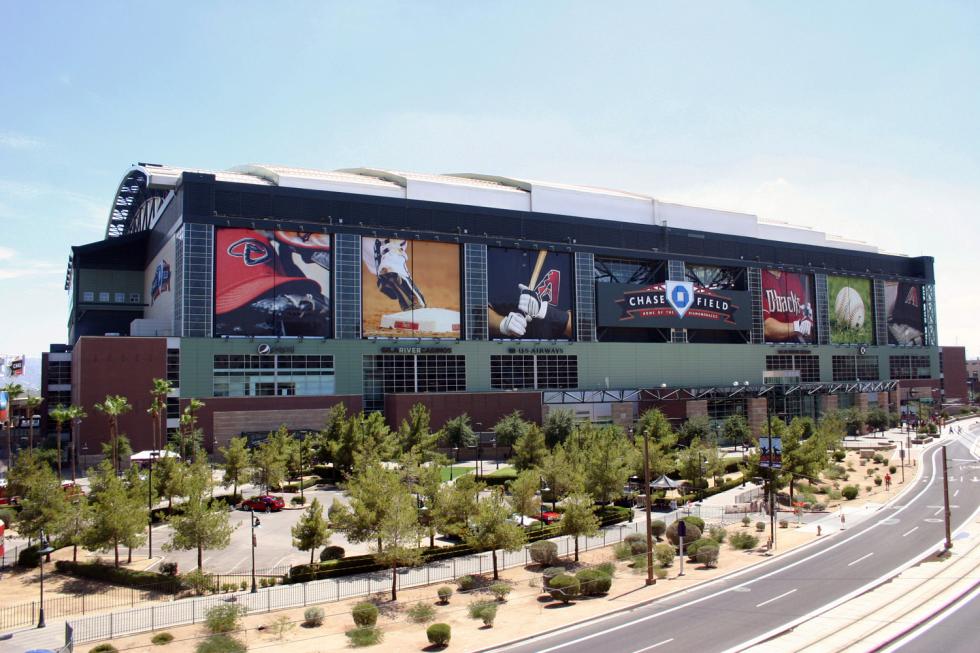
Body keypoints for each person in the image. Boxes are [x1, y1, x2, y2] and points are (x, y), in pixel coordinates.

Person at [762, 269, 815, 343]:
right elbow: (765, 327)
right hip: (769, 348)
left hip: (798, 348)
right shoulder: (759, 276)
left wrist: (808, 322)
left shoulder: (793, 278)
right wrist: (797, 327)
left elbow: (807, 315)